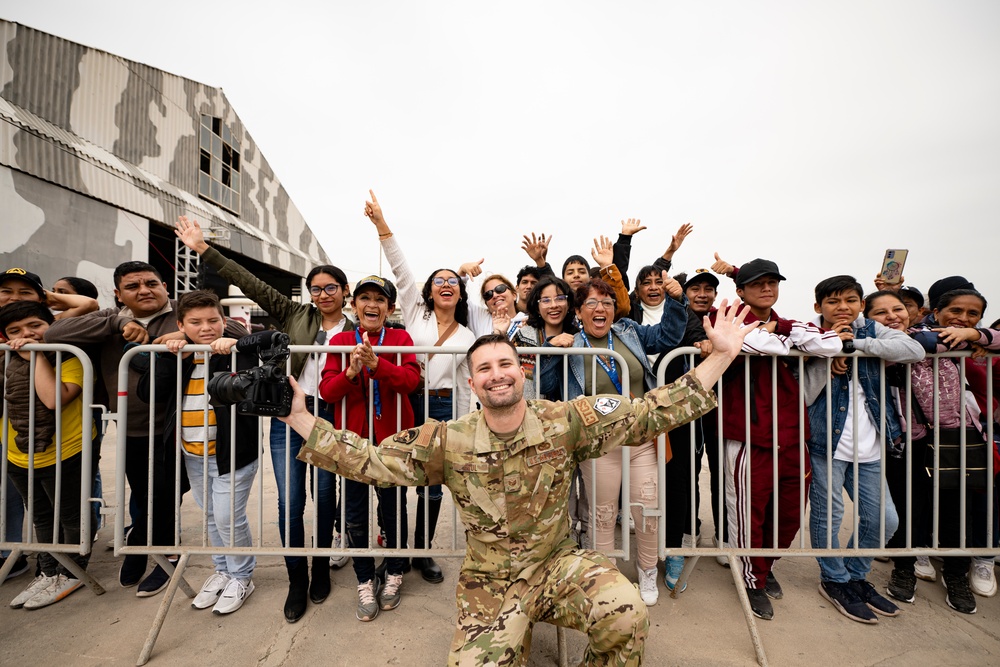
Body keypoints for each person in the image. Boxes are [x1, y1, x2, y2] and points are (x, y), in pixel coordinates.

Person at [284, 297, 754, 666]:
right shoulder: (448, 440)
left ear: (520, 372)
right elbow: (370, 459)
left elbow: (649, 413)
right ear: (473, 382)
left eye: (505, 364)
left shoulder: (565, 420)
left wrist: (722, 358)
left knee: (627, 614)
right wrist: (303, 419)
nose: (497, 375)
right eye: (484, 369)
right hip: (490, 582)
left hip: (557, 567)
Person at [173, 216, 349, 621]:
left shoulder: (356, 323)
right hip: (290, 416)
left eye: (331, 287)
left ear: (344, 291)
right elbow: (248, 281)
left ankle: (320, 569)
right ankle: (295, 580)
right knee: (290, 502)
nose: (323, 294)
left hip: (330, 418)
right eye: (316, 288)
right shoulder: (292, 314)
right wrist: (203, 249)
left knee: (324, 500)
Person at [44, 260, 248, 598]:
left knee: (167, 493)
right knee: (144, 494)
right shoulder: (109, 318)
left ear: (165, 287)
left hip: (178, 428)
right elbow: (53, 334)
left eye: (151, 283)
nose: (144, 290)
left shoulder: (183, 314)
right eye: (133, 286)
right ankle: (146, 543)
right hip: (133, 427)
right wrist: (119, 322)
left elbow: (237, 332)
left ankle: (158, 551)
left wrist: (185, 333)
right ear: (119, 293)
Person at [539, 274, 687, 603]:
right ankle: (605, 579)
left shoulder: (628, 332)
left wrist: (676, 302)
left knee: (646, 511)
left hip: (639, 439)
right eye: (591, 303)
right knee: (602, 515)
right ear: (578, 312)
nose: (600, 308)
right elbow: (545, 385)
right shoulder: (572, 343)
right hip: (598, 445)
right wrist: (550, 349)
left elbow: (668, 336)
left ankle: (648, 571)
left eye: (606, 302)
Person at [709, 257, 842, 620]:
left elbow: (831, 345)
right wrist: (785, 338)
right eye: (757, 284)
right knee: (747, 515)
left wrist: (780, 331)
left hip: (791, 435)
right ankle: (752, 580)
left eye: (773, 282)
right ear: (740, 290)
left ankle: (765, 568)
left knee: (787, 516)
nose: (767, 289)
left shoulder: (785, 322)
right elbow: (758, 345)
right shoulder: (723, 318)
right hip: (747, 438)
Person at [364, 191, 477, 584]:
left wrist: (463, 424)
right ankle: (395, 552)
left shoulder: (467, 333)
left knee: (431, 486)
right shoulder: (415, 311)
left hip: (444, 409)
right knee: (394, 478)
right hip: (404, 402)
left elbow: (467, 382)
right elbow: (399, 266)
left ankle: (422, 554)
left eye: (453, 281)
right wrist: (381, 223)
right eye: (439, 280)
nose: (446, 284)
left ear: (460, 294)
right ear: (429, 291)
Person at [802, 275, 924, 624]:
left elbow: (914, 350)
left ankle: (856, 575)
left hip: (870, 444)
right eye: (833, 302)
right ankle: (834, 579)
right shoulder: (812, 335)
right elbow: (805, 393)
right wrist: (828, 357)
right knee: (830, 515)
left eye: (851, 300)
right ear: (818, 307)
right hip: (827, 443)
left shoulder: (872, 330)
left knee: (885, 519)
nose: (843, 308)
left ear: (860, 303)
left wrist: (857, 345)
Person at [132, 291, 260, 615]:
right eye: (195, 322)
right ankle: (223, 570)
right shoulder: (180, 355)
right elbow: (149, 393)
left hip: (232, 452)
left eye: (213, 320)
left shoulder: (234, 352)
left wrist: (234, 345)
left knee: (229, 516)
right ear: (181, 325)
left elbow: (257, 374)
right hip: (192, 452)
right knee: (210, 516)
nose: (206, 328)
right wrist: (168, 355)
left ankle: (242, 576)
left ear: (224, 320)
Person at [885, 288, 1000, 613]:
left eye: (972, 314)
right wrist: (953, 339)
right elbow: (908, 345)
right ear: (934, 311)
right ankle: (904, 571)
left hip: (961, 438)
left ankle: (956, 576)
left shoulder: (963, 340)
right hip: (915, 440)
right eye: (956, 311)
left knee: (956, 513)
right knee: (912, 511)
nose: (963, 318)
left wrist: (974, 334)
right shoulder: (909, 338)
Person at [319, 275, 420, 621]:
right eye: (365, 298)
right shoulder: (342, 340)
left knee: (393, 510)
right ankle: (364, 578)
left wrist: (379, 365)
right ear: (353, 305)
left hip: (392, 441)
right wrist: (351, 371)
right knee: (355, 512)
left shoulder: (401, 338)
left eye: (380, 299)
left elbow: (411, 381)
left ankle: (393, 573)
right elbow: (327, 392)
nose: (372, 305)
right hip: (354, 441)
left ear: (390, 308)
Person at [2, 301, 95, 609]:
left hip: (66, 450)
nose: (25, 335)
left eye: (34, 326)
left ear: (52, 325)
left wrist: (38, 355)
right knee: (40, 515)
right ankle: (48, 570)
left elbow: (54, 399)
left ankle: (72, 571)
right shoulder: (4, 360)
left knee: (70, 515)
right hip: (19, 455)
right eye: (15, 331)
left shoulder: (70, 357)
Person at [0, 267, 99, 319]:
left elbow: (89, 304)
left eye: (25, 292)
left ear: (40, 298)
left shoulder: (47, 321)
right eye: (6, 291)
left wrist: (50, 295)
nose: (15, 298)